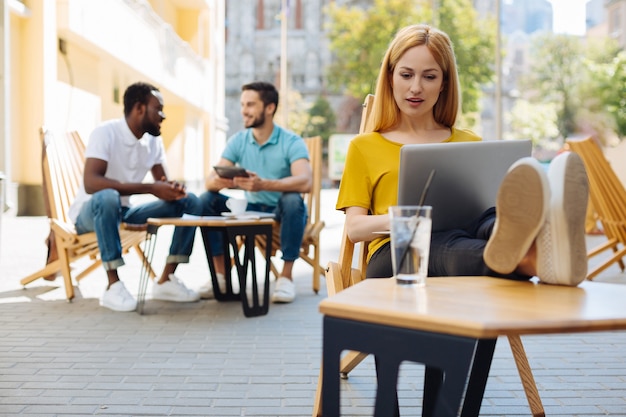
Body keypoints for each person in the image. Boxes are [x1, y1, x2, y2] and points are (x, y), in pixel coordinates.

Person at [336, 24, 589, 285]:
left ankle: (542, 228)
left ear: (444, 83)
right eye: (406, 75)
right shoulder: (365, 146)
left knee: (488, 218)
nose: (416, 87)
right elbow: (355, 229)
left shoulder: (470, 143)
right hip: (398, 252)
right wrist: (408, 219)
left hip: (469, 235)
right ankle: (536, 258)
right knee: (447, 244)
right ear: (391, 78)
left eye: (429, 77)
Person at [68, 82, 203, 312]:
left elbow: (162, 184)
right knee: (107, 196)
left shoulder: (153, 141)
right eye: (158, 109)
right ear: (139, 108)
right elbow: (92, 183)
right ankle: (113, 285)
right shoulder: (106, 133)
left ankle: (166, 280)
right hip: (91, 213)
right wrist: (150, 188)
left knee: (191, 201)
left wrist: (173, 190)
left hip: (124, 212)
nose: (163, 116)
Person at [200, 81, 312, 303]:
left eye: (250, 104)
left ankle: (286, 278)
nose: (243, 110)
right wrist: (229, 181)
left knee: (292, 200)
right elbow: (209, 182)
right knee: (206, 200)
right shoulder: (239, 140)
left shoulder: (291, 141)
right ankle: (221, 275)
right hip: (251, 209)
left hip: (282, 212)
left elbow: (305, 181)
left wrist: (264, 184)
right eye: (242, 104)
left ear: (269, 108)